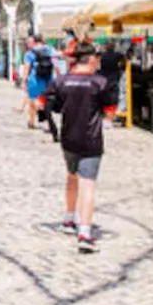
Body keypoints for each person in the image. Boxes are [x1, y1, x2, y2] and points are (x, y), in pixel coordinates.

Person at [45, 44, 119, 252]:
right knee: (88, 184)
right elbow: (110, 110)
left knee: (71, 176)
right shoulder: (99, 82)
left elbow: (44, 101)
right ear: (91, 60)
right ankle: (85, 232)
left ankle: (69, 219)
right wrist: (105, 119)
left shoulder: (61, 81)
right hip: (91, 139)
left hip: (68, 137)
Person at [22, 36, 54, 130]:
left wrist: (24, 81)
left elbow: (27, 67)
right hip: (48, 79)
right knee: (47, 101)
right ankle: (49, 124)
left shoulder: (30, 53)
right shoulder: (50, 50)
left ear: (34, 42)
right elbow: (55, 64)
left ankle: (32, 122)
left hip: (34, 79)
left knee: (32, 101)